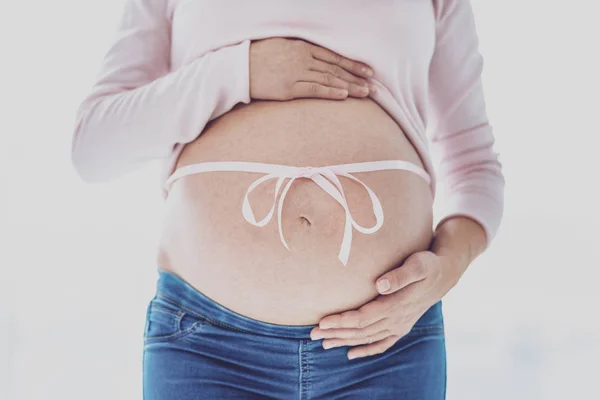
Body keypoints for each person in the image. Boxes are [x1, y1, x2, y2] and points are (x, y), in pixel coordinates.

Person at [71, 0, 504, 398]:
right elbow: (94, 146)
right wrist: (238, 73)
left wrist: (446, 269)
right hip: (207, 348)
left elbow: (475, 166)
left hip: (387, 345)